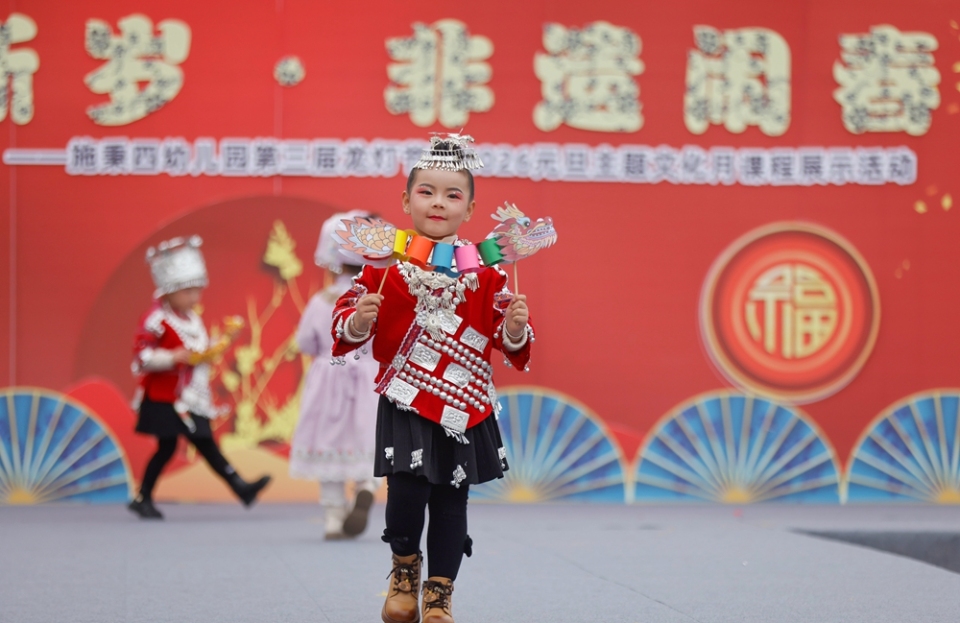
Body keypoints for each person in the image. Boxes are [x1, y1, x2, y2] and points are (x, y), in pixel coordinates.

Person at [330, 134, 534, 623]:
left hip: (465, 403)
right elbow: (345, 326)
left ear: (469, 208)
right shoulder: (385, 267)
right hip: (407, 398)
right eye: (426, 192)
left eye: (452, 194)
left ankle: (439, 594)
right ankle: (404, 572)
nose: (438, 203)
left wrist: (514, 327)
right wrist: (358, 319)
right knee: (406, 493)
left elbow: (509, 339)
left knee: (450, 499)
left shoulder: (487, 274)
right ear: (406, 201)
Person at [128, 236, 271, 520]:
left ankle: (240, 488)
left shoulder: (192, 319)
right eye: (187, 291)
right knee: (172, 447)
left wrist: (222, 342)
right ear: (170, 290)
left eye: (197, 291)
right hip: (165, 397)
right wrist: (171, 357)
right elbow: (141, 358)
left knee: (202, 442)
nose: (194, 297)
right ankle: (144, 496)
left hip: (190, 396)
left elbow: (199, 353)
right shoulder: (157, 320)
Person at [289, 211, 381, 540]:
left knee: (327, 439)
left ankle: (332, 516)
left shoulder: (321, 301)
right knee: (367, 435)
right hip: (369, 375)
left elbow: (305, 342)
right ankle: (366, 486)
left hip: (329, 376)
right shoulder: (376, 299)